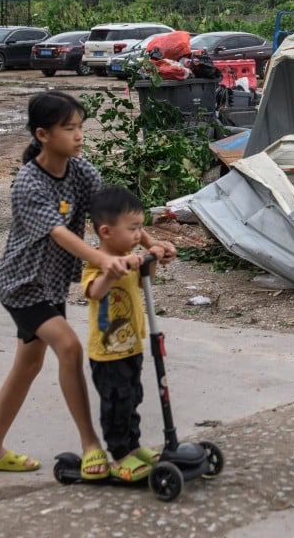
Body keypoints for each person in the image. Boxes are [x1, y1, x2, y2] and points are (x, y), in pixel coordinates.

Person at [0, 91, 176, 479]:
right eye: (69, 128)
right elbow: (59, 235)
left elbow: (114, 217)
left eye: (80, 126)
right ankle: (90, 444)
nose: (79, 135)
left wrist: (150, 243)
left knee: (28, 364)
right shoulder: (28, 183)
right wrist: (105, 260)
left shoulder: (81, 172)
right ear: (43, 134)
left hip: (50, 287)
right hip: (23, 285)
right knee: (68, 347)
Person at [82, 185, 166, 481]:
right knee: (116, 403)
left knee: (133, 399)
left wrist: (152, 255)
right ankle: (120, 456)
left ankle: (133, 445)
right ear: (106, 231)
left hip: (132, 346)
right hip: (107, 352)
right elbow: (93, 292)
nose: (137, 235)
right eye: (133, 229)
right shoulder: (98, 261)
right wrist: (110, 272)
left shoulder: (130, 254)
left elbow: (148, 281)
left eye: (140, 228)